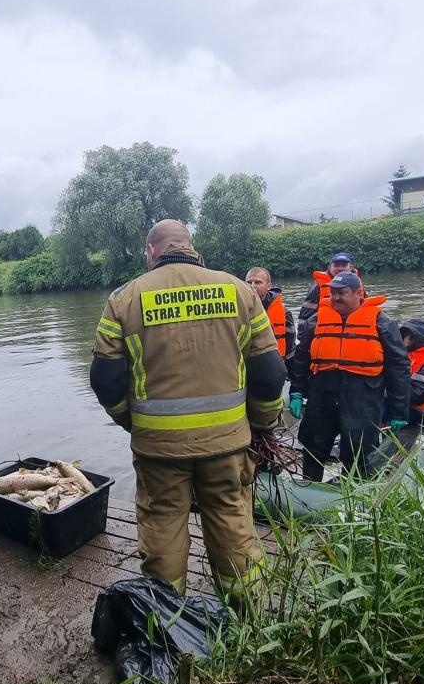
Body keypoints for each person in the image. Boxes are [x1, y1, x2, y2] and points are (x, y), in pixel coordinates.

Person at [90, 219, 286, 603]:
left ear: (152, 252)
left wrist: (133, 422)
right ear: (190, 246)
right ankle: (251, 620)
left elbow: (104, 381)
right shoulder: (241, 292)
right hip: (229, 444)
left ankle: (165, 623)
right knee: (232, 521)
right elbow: (270, 375)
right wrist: (261, 424)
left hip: (158, 449)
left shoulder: (124, 300)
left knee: (162, 526)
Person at [288, 271, 410, 480]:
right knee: (312, 449)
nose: (335, 298)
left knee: (359, 455)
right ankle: (309, 492)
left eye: (342, 293)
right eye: (333, 293)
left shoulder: (382, 323)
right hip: (322, 396)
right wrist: (296, 391)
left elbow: (399, 367)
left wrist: (399, 411)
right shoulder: (317, 320)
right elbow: (301, 358)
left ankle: (353, 500)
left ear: (358, 293)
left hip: (362, 399)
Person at [297, 252, 360, 342]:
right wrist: (303, 339)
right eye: (336, 265)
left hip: (353, 335)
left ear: (351, 267)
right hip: (327, 335)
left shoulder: (358, 285)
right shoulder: (317, 287)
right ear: (330, 267)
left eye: (344, 265)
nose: (340, 268)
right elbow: (305, 316)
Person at [245, 267, 296, 364]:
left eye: (258, 282)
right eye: (249, 282)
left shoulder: (285, 313)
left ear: (269, 286)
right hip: (248, 366)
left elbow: (290, 347)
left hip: (275, 366)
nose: (252, 286)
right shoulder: (239, 310)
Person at [399, 318, 424, 429]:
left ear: (420, 339)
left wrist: (386, 388)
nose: (407, 340)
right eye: (405, 336)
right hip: (413, 409)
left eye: (412, 337)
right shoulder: (409, 357)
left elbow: (417, 395)